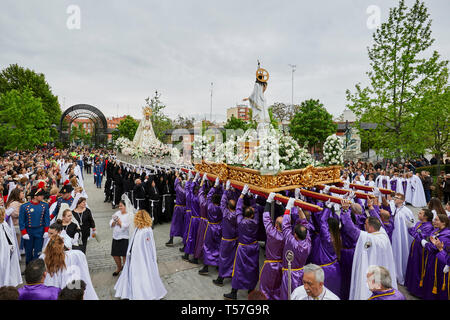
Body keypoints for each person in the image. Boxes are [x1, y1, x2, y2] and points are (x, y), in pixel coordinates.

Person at [340, 199, 397, 300]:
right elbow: (377, 219)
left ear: (370, 227)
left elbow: (350, 229)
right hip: (381, 268)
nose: (364, 225)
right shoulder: (383, 233)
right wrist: (371, 207)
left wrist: (344, 211)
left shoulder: (369, 238)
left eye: (365, 224)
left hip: (371, 271)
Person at [114, 209, 167, 300]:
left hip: (142, 258)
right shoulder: (138, 228)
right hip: (135, 256)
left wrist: (150, 258)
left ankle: (144, 293)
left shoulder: (146, 230)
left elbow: (148, 246)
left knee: (142, 275)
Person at [224, 185, 260, 300]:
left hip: (243, 248)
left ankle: (234, 292)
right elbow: (256, 209)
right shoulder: (256, 221)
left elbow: (238, 208)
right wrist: (252, 198)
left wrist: (242, 195)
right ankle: (251, 289)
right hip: (253, 247)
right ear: (252, 215)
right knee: (252, 268)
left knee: (238, 269)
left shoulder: (240, 221)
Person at [280, 198, 311, 300]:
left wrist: (288, 208)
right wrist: (299, 209)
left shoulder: (291, 242)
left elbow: (285, 226)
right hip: (302, 273)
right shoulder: (308, 241)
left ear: (295, 235)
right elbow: (305, 223)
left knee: (288, 296)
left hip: (290, 274)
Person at [213, 180, 238, 287]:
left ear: (228, 207)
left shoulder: (226, 213)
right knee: (232, 258)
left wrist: (226, 190)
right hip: (235, 240)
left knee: (223, 259)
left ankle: (220, 278)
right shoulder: (239, 214)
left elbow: (222, 202)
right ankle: (231, 274)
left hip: (226, 240)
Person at [258, 192, 284, 300]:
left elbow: (266, 217)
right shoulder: (288, 235)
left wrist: (268, 202)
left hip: (270, 266)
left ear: (276, 225)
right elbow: (286, 222)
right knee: (277, 288)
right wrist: (280, 205)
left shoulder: (272, 233)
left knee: (265, 288)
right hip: (281, 266)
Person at [404, 208, 434, 298]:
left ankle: (418, 291)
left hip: (421, 251)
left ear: (425, 217)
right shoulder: (419, 223)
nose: (418, 214)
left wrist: (412, 229)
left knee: (418, 268)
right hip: (415, 248)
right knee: (412, 266)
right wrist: (411, 229)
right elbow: (414, 233)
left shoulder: (428, 226)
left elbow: (421, 237)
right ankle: (411, 287)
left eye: (420, 213)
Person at [421, 214, 450, 300]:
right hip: (432, 259)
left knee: (436, 280)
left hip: (439, 262)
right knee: (429, 278)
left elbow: (434, 248)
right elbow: (429, 239)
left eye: (437, 220)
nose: (434, 221)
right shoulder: (437, 230)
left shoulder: (447, 234)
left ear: (443, 222)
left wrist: (426, 244)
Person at [198, 177, 223, 275]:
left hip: (210, 228)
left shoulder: (210, 205)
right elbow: (223, 199)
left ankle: (206, 266)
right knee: (218, 246)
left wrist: (214, 186)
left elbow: (208, 196)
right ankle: (217, 265)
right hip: (219, 227)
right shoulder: (222, 208)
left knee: (208, 246)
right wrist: (223, 188)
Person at [19, 186, 50, 265]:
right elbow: (21, 221)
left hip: (40, 231)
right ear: (35, 196)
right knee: (28, 252)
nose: (43, 196)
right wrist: (24, 232)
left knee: (38, 252)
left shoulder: (45, 205)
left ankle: (37, 270)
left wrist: (46, 231)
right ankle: (28, 270)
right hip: (28, 231)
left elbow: (46, 219)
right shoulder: (24, 206)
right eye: (41, 195)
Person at [389, 193, 415, 285]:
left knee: (402, 253)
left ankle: (401, 273)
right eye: (394, 197)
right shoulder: (395, 208)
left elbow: (411, 225)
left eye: (397, 198)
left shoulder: (406, 211)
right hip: (395, 236)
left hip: (403, 237)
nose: (395, 199)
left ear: (402, 200)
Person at [0, 207, 22, 287]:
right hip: (3, 251)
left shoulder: (4, 224)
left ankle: (6, 283)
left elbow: (9, 236)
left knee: (6, 267)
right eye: (4, 213)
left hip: (7, 250)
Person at [110, 200, 130, 277]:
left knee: (124, 255)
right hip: (116, 236)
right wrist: (114, 222)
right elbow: (111, 222)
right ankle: (119, 267)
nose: (120, 207)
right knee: (115, 254)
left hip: (124, 237)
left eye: (121, 205)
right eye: (119, 206)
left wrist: (120, 222)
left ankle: (125, 270)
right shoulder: (117, 213)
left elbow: (126, 226)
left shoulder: (129, 215)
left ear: (126, 206)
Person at [165, 172, 186, 247]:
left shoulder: (179, 189)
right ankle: (184, 240)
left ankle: (171, 240)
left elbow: (175, 184)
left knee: (174, 223)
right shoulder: (186, 191)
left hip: (178, 208)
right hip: (185, 209)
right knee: (184, 224)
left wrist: (177, 177)